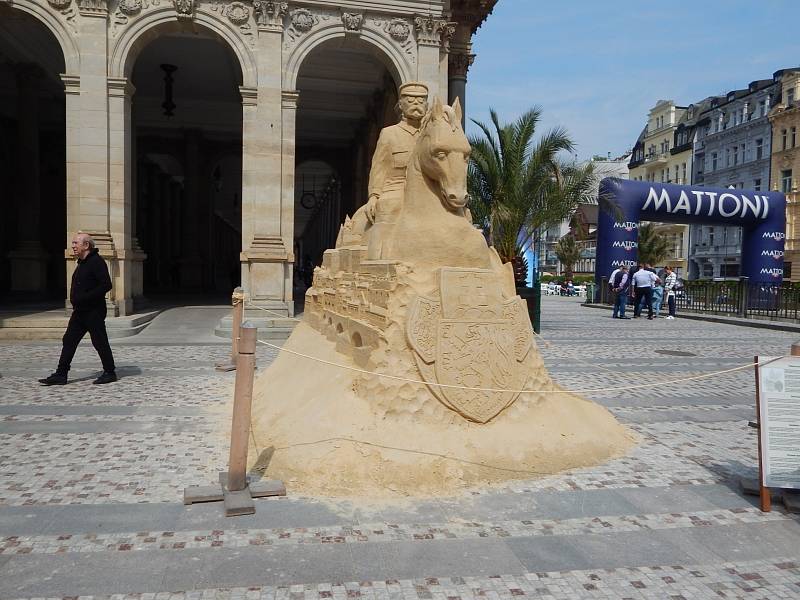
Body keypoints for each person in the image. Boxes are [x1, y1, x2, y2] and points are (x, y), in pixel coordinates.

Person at [39, 233, 117, 385]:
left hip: (93, 311)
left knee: (99, 341)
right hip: (80, 312)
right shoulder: (82, 262)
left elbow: (106, 285)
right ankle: (61, 374)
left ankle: (110, 372)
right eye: (73, 243)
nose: (73, 246)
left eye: (76, 243)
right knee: (69, 340)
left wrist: (85, 297)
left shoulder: (96, 262)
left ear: (86, 245)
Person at [364, 81, 429, 259]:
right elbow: (378, 167)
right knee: (387, 211)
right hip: (396, 187)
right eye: (411, 100)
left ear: (427, 105)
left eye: (421, 101)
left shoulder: (429, 134)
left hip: (426, 190)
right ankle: (376, 260)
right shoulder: (389, 133)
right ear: (401, 105)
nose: (417, 104)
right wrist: (374, 196)